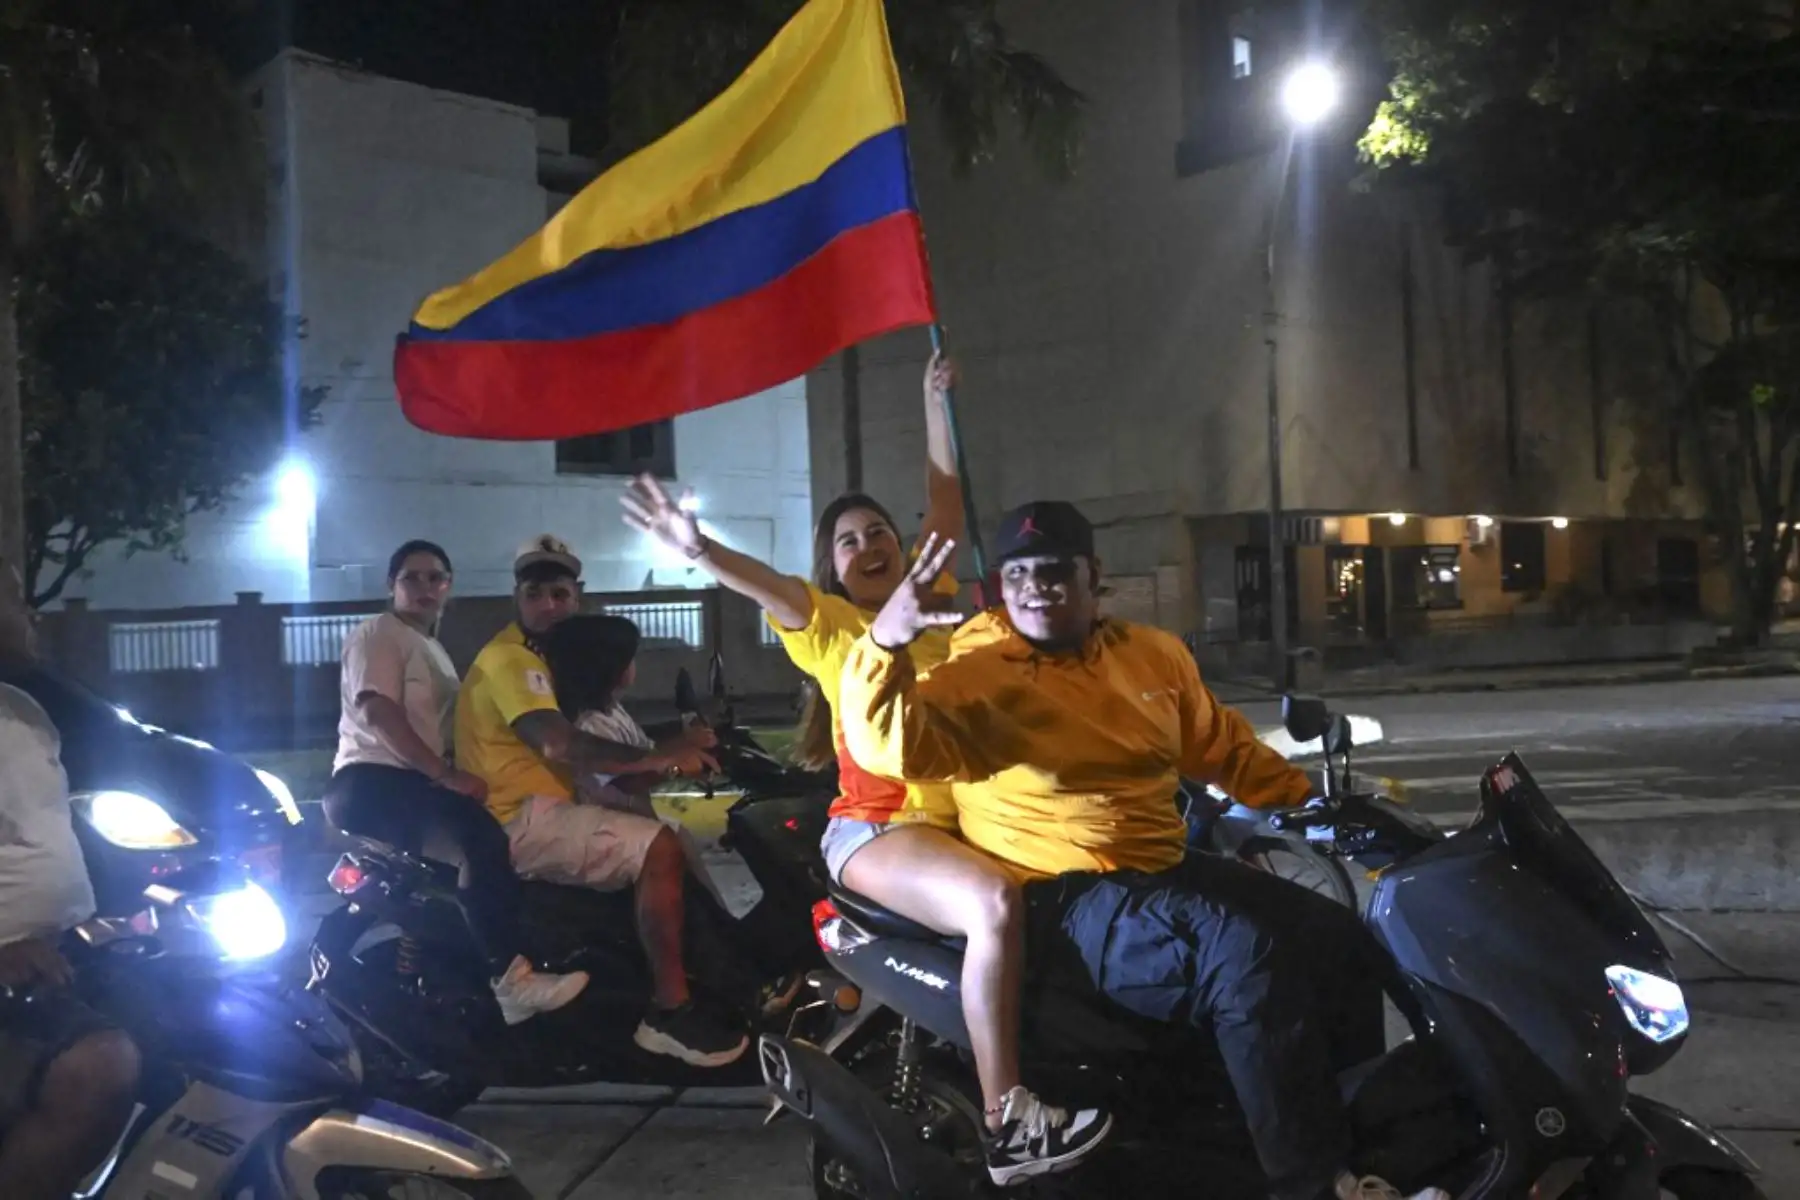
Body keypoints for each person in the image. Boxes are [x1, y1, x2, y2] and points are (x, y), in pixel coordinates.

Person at [838, 502, 1450, 1200]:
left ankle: (1360, 1128)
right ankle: (1313, 1182)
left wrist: (1314, 804)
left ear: (1093, 575)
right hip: (1064, 891)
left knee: (1337, 933)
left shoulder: (1152, 656)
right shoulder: (978, 668)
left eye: (1056, 569)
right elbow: (890, 745)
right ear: (999, 590)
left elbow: (1222, 749)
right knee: (1242, 955)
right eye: (1019, 574)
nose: (1038, 586)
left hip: (1161, 865)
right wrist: (882, 644)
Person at [623, 353, 1111, 1186]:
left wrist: (930, 401)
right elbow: (769, 586)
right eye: (849, 542)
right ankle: (1007, 1122)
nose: (870, 543)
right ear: (835, 569)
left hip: (972, 824)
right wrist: (698, 547)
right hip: (882, 828)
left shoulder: (933, 604)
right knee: (994, 905)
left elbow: (948, 503)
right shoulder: (834, 627)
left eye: (879, 530)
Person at [454, 535, 748, 1067]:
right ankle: (670, 1011)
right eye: (535, 593)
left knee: (672, 843)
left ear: (578, 597)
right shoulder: (512, 661)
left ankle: (714, 970)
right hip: (520, 818)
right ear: (516, 598)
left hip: (547, 809)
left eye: (560, 594)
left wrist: (669, 747)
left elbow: (600, 738)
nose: (548, 605)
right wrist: (662, 758)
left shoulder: (542, 663)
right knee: (658, 846)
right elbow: (559, 741)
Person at [323, 539, 588, 1026]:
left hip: (411, 784)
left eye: (436, 578)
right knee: (478, 842)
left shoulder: (433, 650)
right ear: (391, 585)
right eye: (412, 578)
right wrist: (444, 774)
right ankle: (512, 982)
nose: (425, 587)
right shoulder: (380, 632)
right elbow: (377, 711)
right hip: (374, 780)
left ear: (449, 586)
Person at [0, 563, 141, 1199]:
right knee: (98, 1065)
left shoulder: (22, 709)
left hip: (60, 951)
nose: (29, 613)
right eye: (12, 596)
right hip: (10, 967)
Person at [537, 613, 730, 909]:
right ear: (609, 667)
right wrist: (676, 767)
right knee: (677, 845)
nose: (634, 665)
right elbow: (626, 780)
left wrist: (685, 741)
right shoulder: (590, 724)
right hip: (611, 820)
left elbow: (645, 751)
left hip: (634, 813)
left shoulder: (610, 710)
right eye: (630, 658)